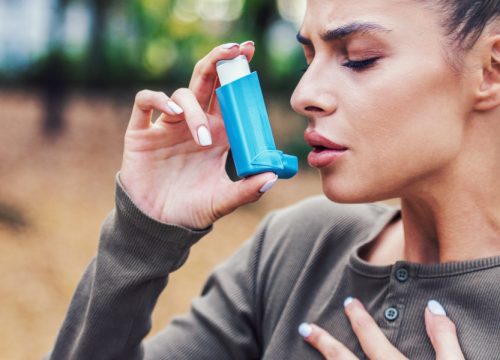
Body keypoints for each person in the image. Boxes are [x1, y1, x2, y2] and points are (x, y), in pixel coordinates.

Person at [47, 0, 500, 359]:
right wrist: (142, 232)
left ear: (490, 69)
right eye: (309, 57)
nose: (303, 96)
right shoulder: (297, 249)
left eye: (359, 59)